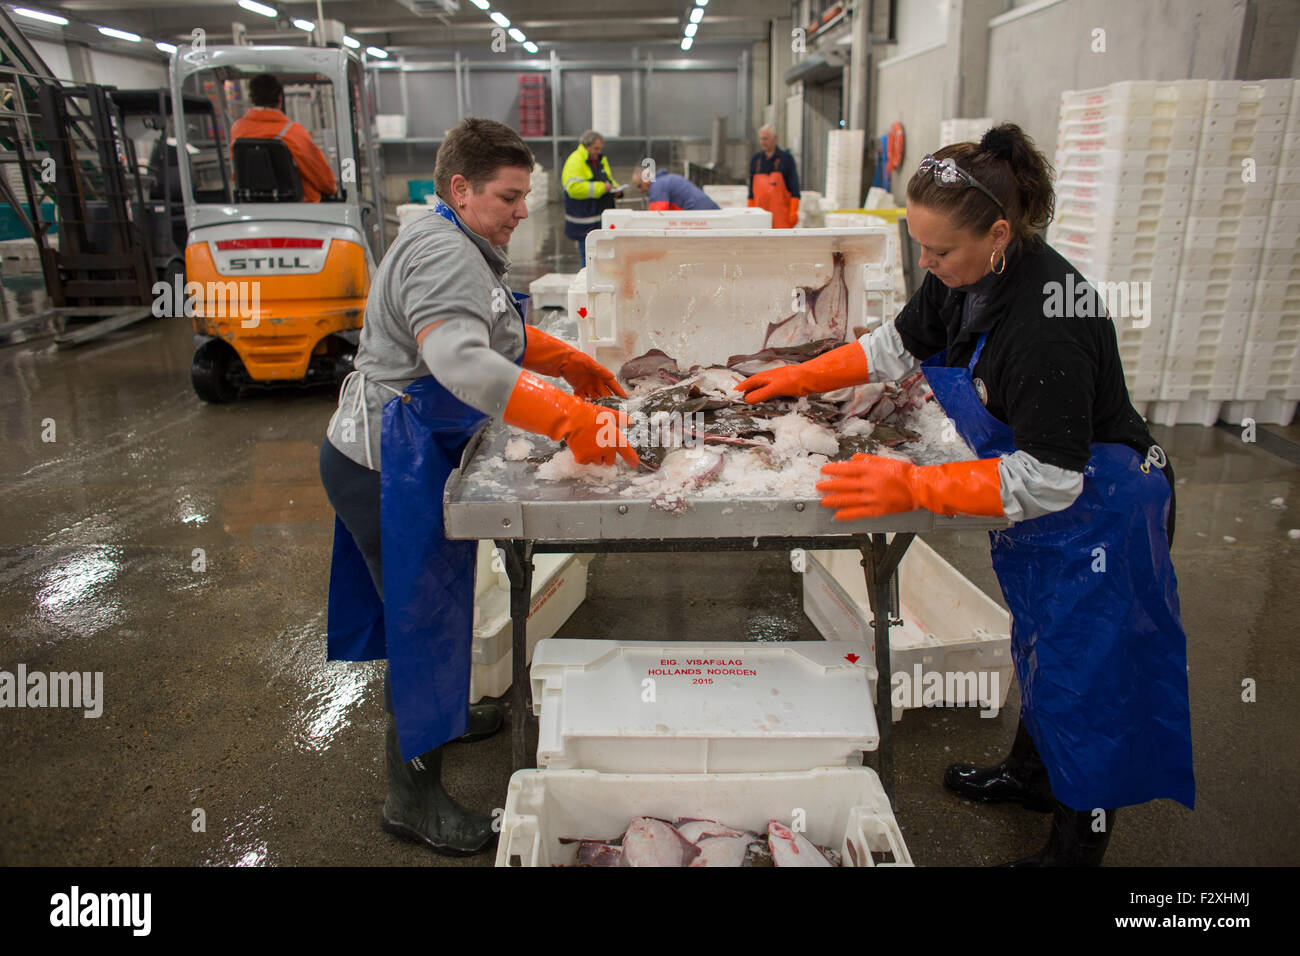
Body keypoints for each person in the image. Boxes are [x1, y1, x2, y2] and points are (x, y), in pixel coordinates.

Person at [737, 124, 1194, 867]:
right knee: (1040, 642)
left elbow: (1051, 476)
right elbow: (896, 343)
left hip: (1103, 506)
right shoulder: (963, 275)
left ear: (1001, 235)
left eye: (940, 251)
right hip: (1043, 505)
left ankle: (1077, 848)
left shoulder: (1050, 319)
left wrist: (913, 483)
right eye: (921, 247)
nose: (928, 262)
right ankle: (1032, 774)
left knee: (1094, 676)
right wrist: (801, 374)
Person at [318, 117, 637, 857]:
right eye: (507, 196)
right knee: (420, 623)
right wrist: (570, 419)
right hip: (386, 465)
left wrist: (565, 362)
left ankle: (448, 713)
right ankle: (412, 796)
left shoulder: (461, 239)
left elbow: (494, 328)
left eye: (525, 195)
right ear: (459, 188)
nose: (522, 211)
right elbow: (464, 362)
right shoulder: (437, 249)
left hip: (414, 453)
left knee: (441, 605)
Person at [230, 73, 338, 202]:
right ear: (279, 98)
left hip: (253, 207)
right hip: (300, 211)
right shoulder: (294, 133)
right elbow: (324, 181)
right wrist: (332, 188)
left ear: (252, 98)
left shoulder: (238, 130)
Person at [562, 130, 622, 262]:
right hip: (585, 219)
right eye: (596, 148)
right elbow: (574, 189)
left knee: (602, 257)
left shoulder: (599, 160)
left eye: (600, 148)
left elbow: (607, 179)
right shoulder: (576, 161)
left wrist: (616, 188)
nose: (599, 151)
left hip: (598, 217)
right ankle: (589, 282)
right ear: (586, 146)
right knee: (589, 257)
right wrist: (602, 188)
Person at [747, 124, 800, 228]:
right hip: (759, 219)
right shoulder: (756, 160)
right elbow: (751, 191)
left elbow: (795, 188)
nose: (763, 142)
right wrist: (750, 209)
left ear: (775, 138)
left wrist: (793, 212)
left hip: (781, 218)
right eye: (761, 139)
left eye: (766, 139)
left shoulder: (786, 159)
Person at [631, 166, 720, 211]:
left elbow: (657, 217)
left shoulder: (657, 187)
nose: (640, 190)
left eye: (639, 185)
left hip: (700, 213)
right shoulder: (665, 180)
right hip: (708, 209)